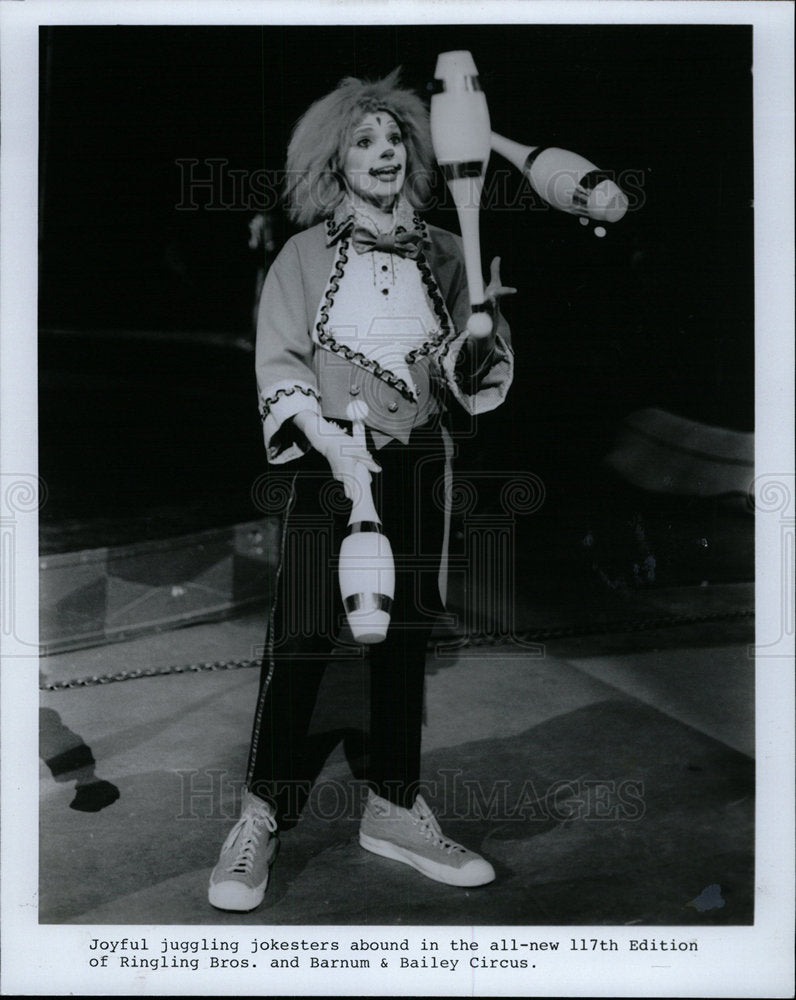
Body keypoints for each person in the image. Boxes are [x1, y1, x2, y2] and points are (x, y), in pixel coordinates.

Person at [208, 68, 515, 911]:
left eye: (393, 140)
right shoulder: (303, 257)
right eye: (363, 140)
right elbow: (279, 363)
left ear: (413, 155)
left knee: (405, 632)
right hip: (324, 458)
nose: (383, 152)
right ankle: (259, 817)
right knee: (303, 634)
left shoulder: (447, 253)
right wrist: (334, 455)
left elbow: (466, 380)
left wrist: (483, 330)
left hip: (415, 458)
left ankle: (393, 808)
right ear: (333, 162)